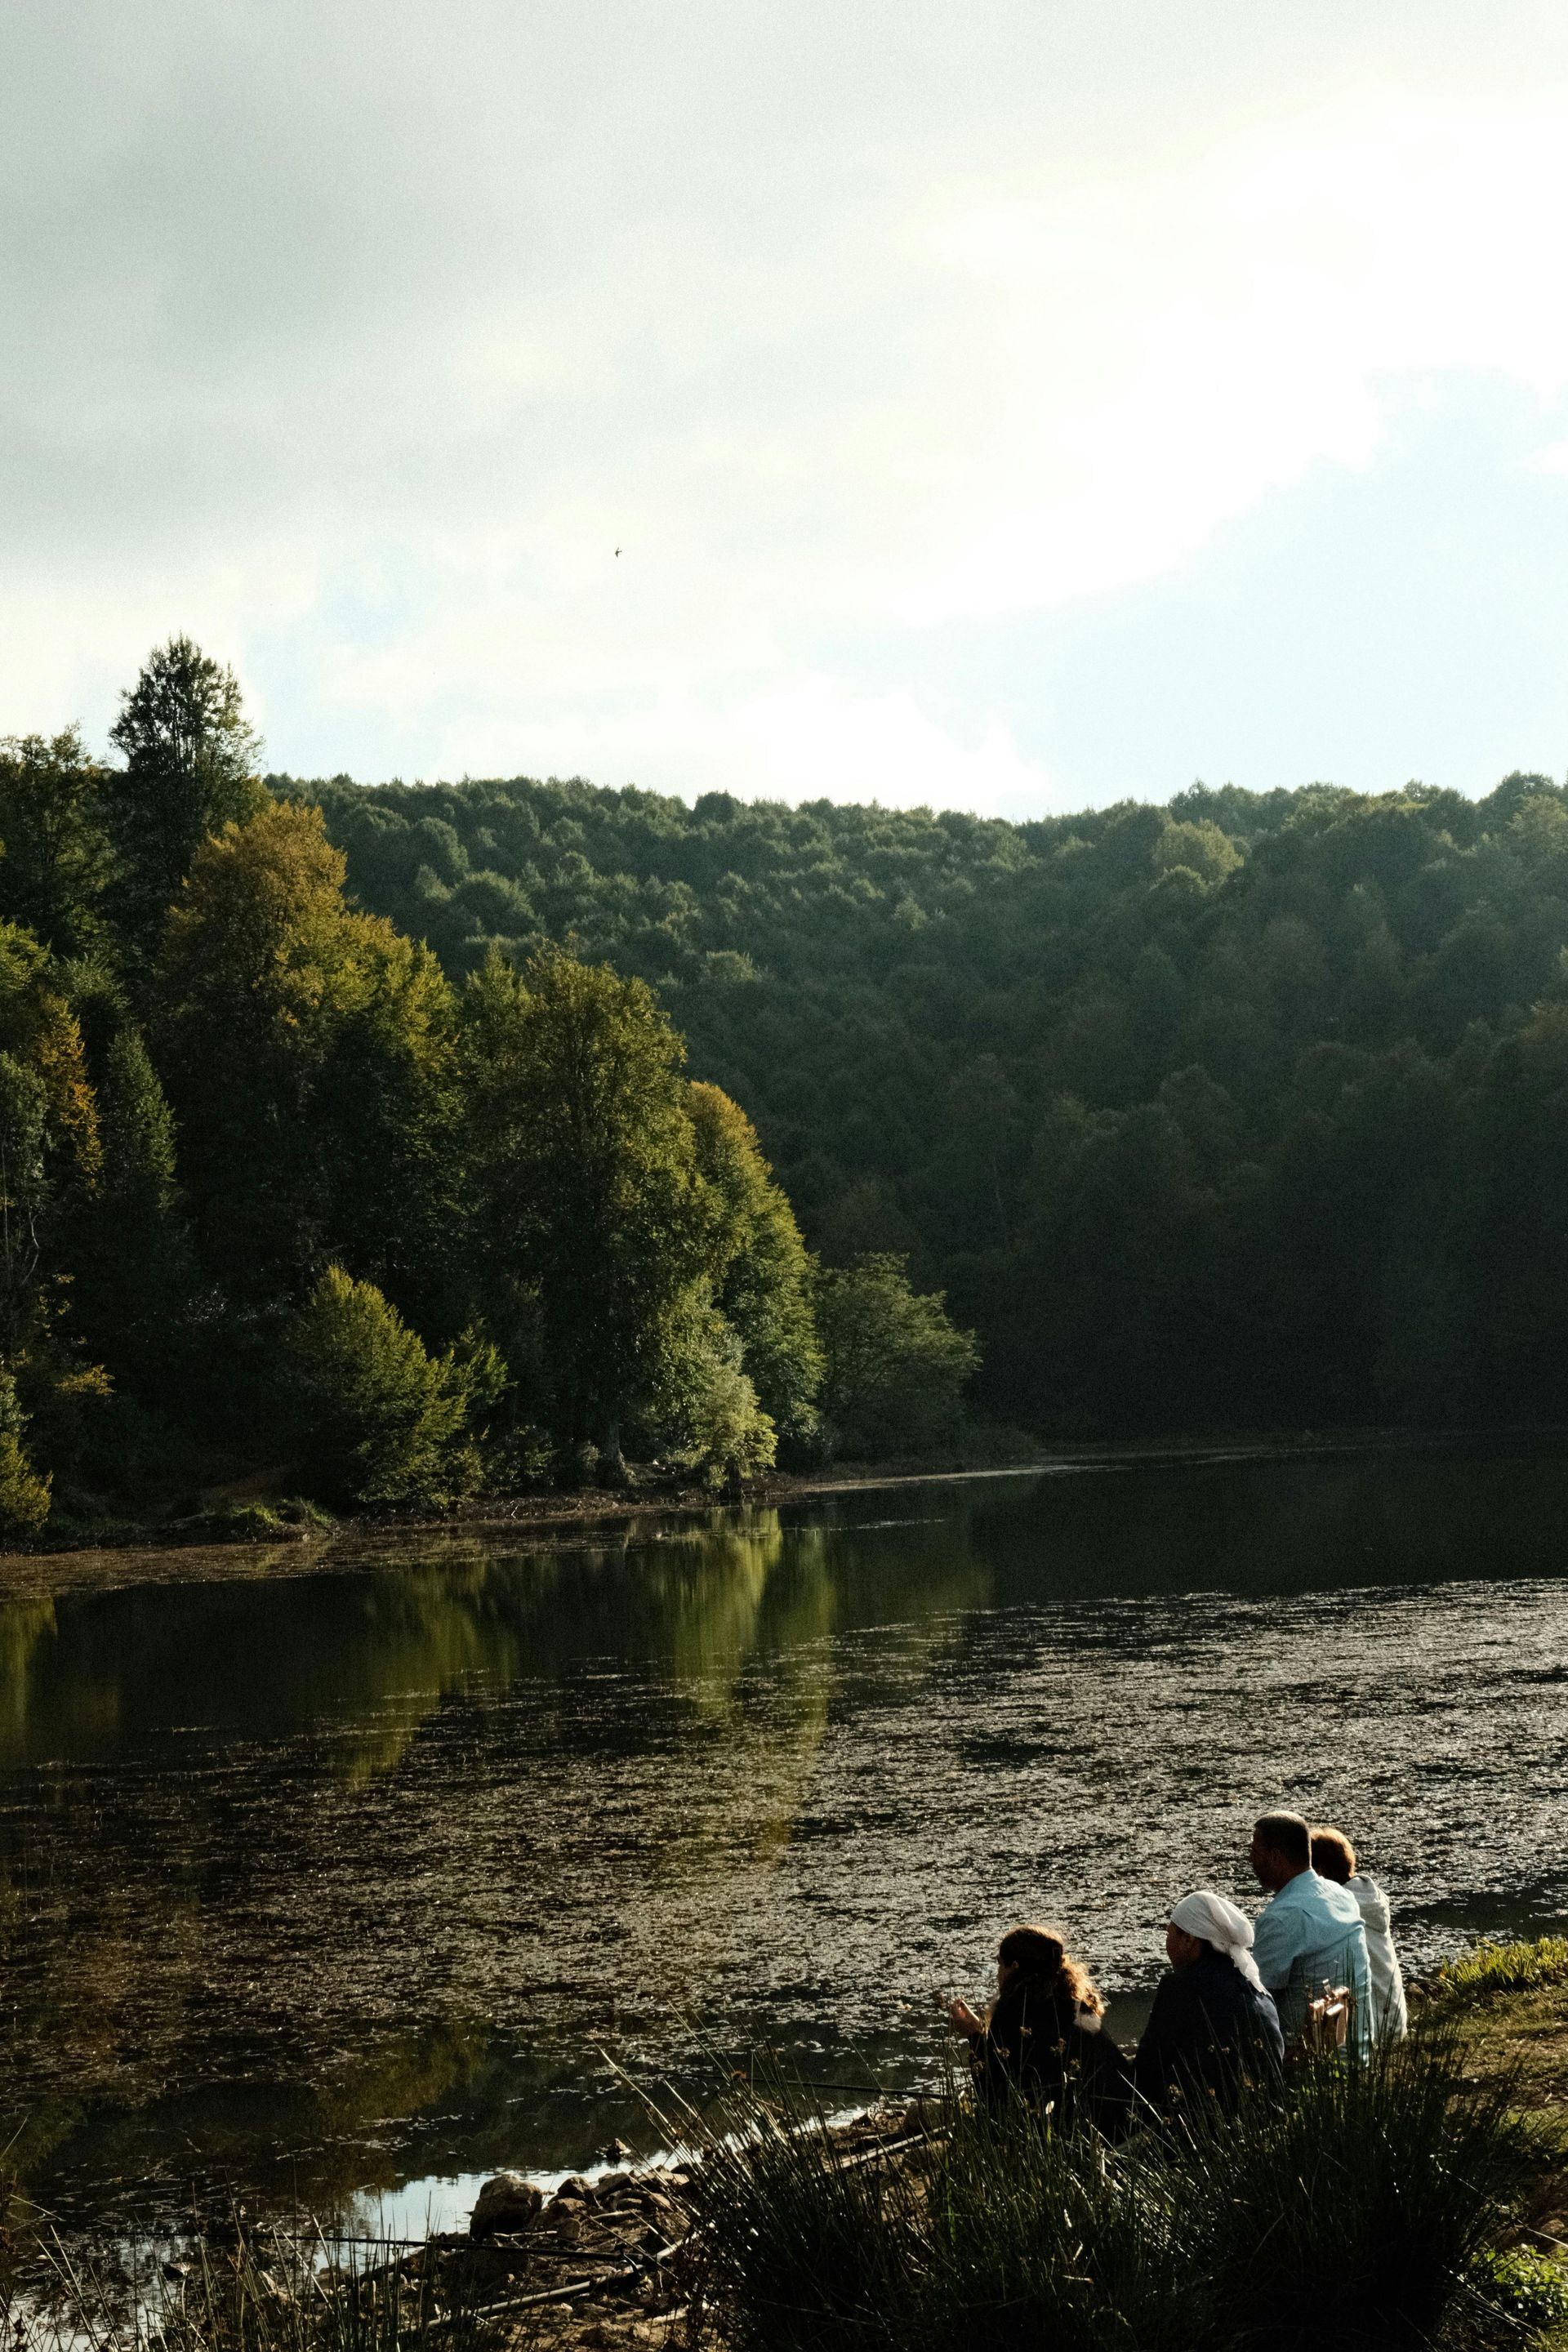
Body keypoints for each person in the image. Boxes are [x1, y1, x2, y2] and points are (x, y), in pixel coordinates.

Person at [946, 1922, 1131, 2132]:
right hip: (1121, 2121)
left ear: (1014, 1967)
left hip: (1073, 2133)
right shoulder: (1075, 2004)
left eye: (1000, 1964)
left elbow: (995, 2095)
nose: (998, 1973)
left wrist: (975, 2035)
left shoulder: (1014, 2010)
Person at [1134, 1891, 1284, 2111]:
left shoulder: (1181, 1987)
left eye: (1170, 1933)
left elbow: (1148, 2069)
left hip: (1205, 2122)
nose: (1167, 1942)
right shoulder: (1255, 1986)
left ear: (1188, 1939)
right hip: (1265, 2116)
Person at [1249, 1809, 1372, 2053]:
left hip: (1308, 2062)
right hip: (1357, 2050)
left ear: (1275, 1857)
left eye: (1254, 1851)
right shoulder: (1341, 1895)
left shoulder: (1282, 1918)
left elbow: (1259, 2003)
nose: (1250, 1859)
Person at [1310, 1824, 1409, 2040]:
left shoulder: (1335, 1908)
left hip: (1375, 2030)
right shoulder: (1371, 1898)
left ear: (1320, 1871)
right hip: (1395, 2021)